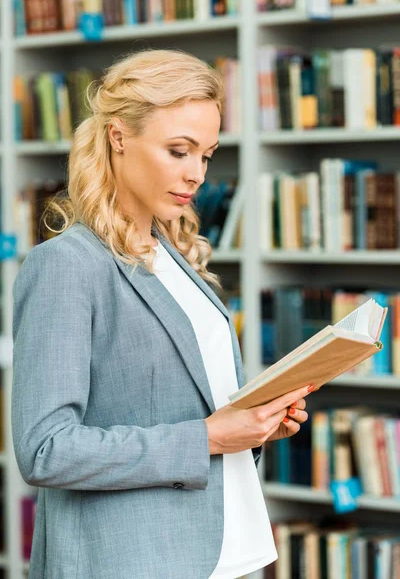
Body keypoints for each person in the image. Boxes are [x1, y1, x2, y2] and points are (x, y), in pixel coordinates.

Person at [11, 49, 311, 579]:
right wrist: (211, 436)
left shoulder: (175, 255)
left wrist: (255, 426)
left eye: (207, 156)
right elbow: (46, 449)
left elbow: (187, 401)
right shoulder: (66, 266)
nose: (196, 174)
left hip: (225, 550)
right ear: (119, 136)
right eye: (178, 151)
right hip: (131, 559)